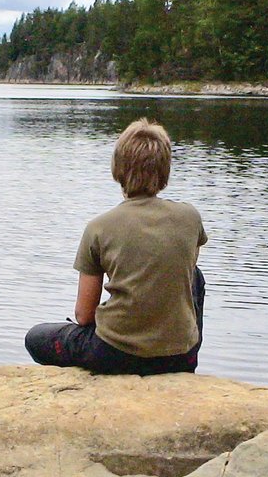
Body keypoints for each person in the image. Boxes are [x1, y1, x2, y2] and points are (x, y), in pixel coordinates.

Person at [24, 118, 206, 375]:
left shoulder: (99, 227)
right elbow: (184, 272)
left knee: (36, 337)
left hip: (116, 354)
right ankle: (185, 354)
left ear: (117, 169)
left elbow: (84, 316)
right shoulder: (190, 217)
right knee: (195, 276)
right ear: (165, 171)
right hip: (179, 357)